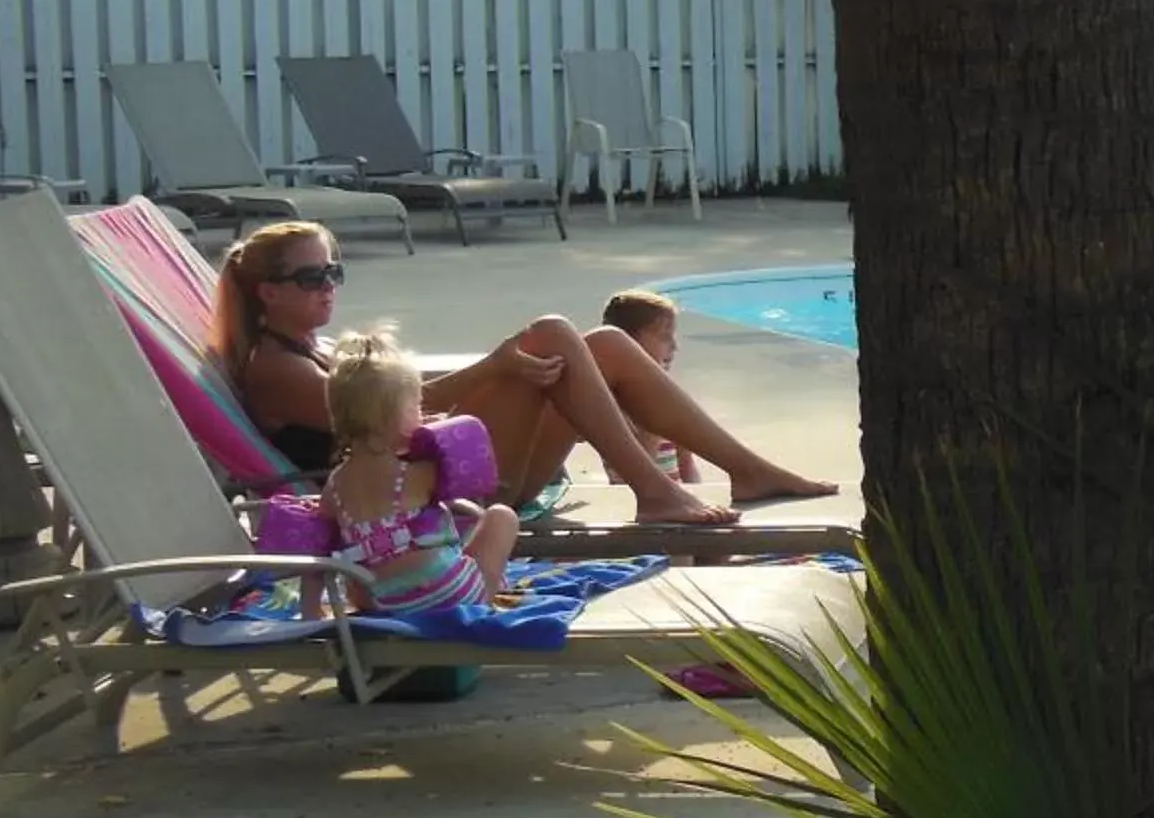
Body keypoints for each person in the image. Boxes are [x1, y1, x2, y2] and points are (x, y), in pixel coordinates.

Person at [215, 223, 837, 529]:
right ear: (268, 292)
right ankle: (657, 492)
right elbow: (385, 416)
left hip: (436, 470)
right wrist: (498, 365)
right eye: (310, 279)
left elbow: (406, 409)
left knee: (604, 345)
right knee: (551, 335)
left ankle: (744, 470)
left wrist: (502, 369)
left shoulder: (307, 346)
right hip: (418, 504)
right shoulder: (274, 369)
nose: (327, 288)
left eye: (333, 274)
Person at [313, 329, 519, 615]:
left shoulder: (334, 487)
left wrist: (311, 610)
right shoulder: (418, 474)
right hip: (446, 591)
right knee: (500, 517)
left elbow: (319, 542)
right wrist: (439, 438)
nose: (421, 416)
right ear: (395, 420)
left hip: (379, 602)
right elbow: (474, 483)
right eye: (416, 407)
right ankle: (489, 589)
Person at [597, 288, 702, 485]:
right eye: (664, 336)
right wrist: (657, 412)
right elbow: (629, 473)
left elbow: (686, 465)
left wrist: (697, 496)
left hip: (680, 501)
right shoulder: (610, 401)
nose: (674, 346)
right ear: (627, 342)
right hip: (638, 501)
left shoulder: (670, 395)